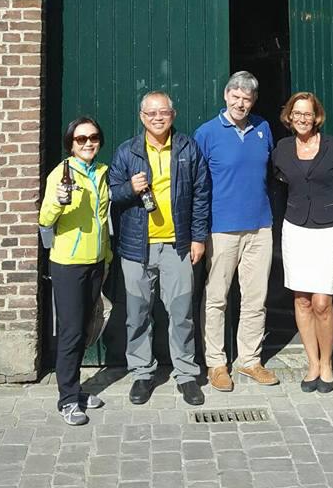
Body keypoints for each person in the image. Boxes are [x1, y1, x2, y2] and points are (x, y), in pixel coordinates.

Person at [109, 91, 210, 406]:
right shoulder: (127, 152)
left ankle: (186, 375)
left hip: (176, 246)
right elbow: (111, 193)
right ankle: (142, 373)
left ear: (173, 114)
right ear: (141, 117)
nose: (157, 118)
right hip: (136, 248)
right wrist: (130, 188)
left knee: (181, 313)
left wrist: (197, 237)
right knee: (137, 314)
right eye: (151, 113)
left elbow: (200, 194)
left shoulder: (187, 148)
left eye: (163, 112)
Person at [194, 71, 278, 392]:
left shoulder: (263, 128)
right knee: (217, 298)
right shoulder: (207, 133)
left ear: (253, 101)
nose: (241, 103)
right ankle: (216, 363)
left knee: (255, 298)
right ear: (226, 96)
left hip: (260, 226)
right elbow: (198, 184)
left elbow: (270, 174)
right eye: (236, 96)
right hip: (221, 229)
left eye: (247, 98)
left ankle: (250, 359)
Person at [273, 92, 333, 394]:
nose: (302, 119)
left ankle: (327, 363)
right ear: (289, 116)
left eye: (308, 114)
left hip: (329, 230)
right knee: (302, 300)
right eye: (297, 113)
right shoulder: (282, 148)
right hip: (296, 229)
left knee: (323, 302)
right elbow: (278, 183)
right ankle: (311, 363)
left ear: (316, 116)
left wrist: (330, 204)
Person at [39, 116, 112, 426]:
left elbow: (104, 218)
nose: (88, 143)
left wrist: (106, 256)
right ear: (71, 143)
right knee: (70, 332)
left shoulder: (100, 172)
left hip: (96, 260)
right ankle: (67, 399)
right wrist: (58, 202)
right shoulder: (62, 173)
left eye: (93, 137)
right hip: (68, 262)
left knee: (84, 329)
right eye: (81, 139)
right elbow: (45, 218)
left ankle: (75, 389)